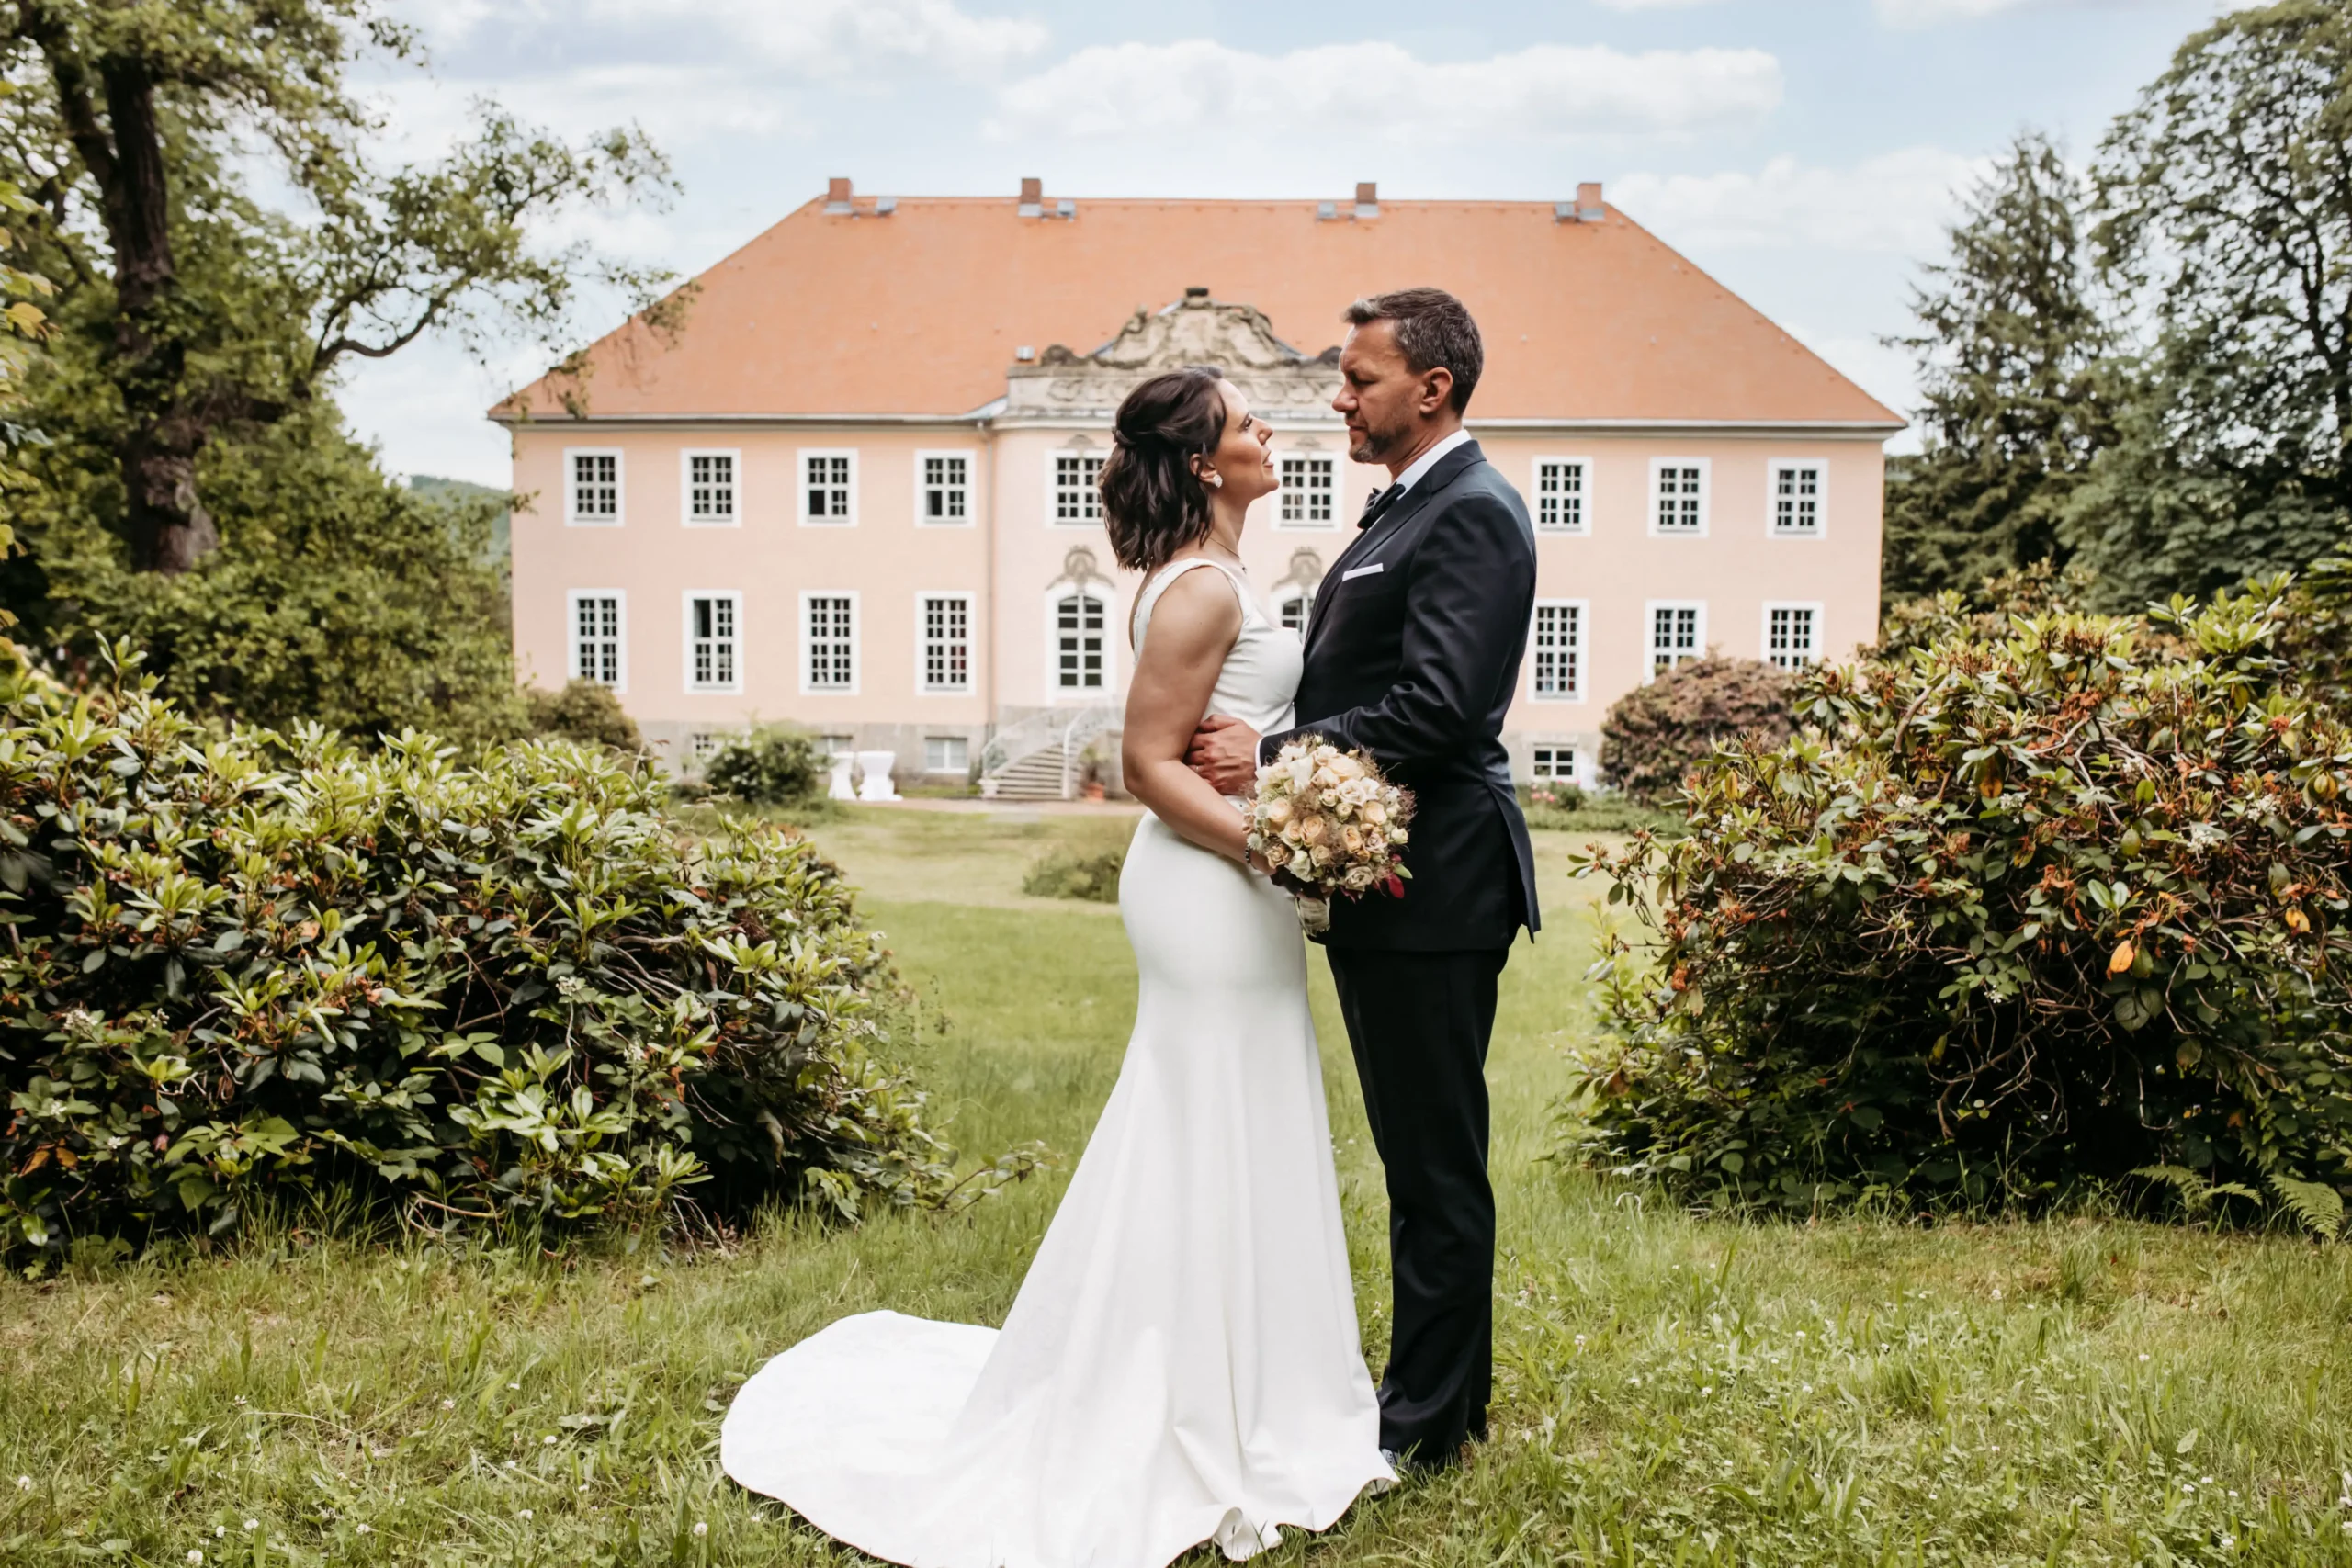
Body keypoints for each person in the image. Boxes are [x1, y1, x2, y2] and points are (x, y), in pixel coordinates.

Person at [720, 365, 1392, 1566]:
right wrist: (1285, 850)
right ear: (1203, 461)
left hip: (1233, 883)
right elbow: (1144, 763)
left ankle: (1249, 1377)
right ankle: (1185, 1393)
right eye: (1248, 423)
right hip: (1206, 890)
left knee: (1244, 1111)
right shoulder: (1196, 591)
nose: (1269, 430)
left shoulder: (1219, 574)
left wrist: (1283, 823)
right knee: (1200, 1115)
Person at [1186, 287, 1539, 1471]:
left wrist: (1272, 755)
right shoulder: (1404, 511)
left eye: (1360, 377)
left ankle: (1429, 1426)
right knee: (1414, 1147)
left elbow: (1440, 710)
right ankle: (1447, 1399)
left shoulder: (1474, 513)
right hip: (1392, 885)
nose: (1338, 396)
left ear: (1430, 390)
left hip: (1437, 885)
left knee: (1434, 1160)